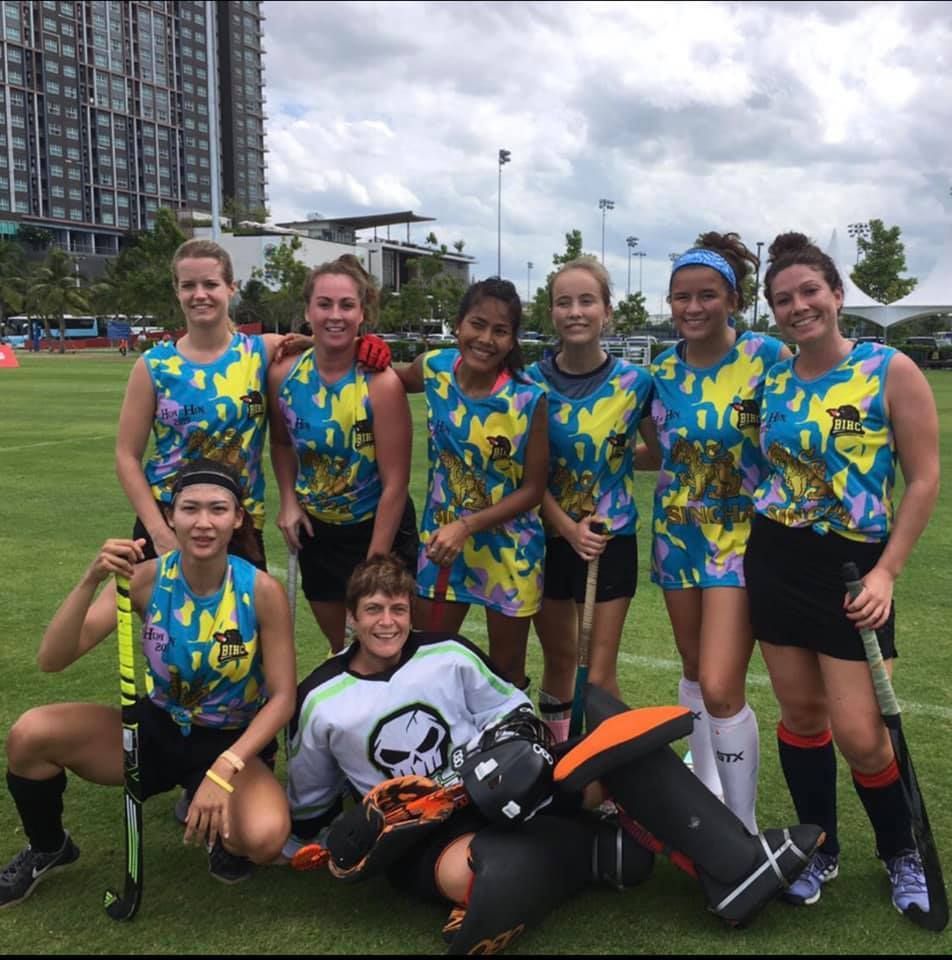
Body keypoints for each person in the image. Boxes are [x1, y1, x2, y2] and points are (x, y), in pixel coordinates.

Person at [283, 554, 825, 955]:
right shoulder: (320, 699)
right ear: (351, 618)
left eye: (398, 609)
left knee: (618, 745)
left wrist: (501, 753)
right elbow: (311, 801)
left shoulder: (446, 654)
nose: (387, 623)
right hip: (428, 833)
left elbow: (514, 708)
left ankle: (739, 865)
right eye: (373, 610)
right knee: (489, 875)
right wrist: (346, 838)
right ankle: (596, 853)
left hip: (502, 787)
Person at [745, 232, 940, 917]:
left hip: (854, 568)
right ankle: (817, 847)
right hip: (774, 557)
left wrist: (887, 574)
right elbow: (754, 466)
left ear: (836, 294)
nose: (798, 307)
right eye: (783, 299)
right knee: (800, 714)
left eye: (808, 292)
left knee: (861, 733)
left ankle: (901, 853)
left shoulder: (890, 368)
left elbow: (922, 480)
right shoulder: (769, 378)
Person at [0, 460, 296, 907]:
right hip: (153, 729)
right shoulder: (144, 579)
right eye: (189, 509)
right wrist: (90, 579)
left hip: (226, 741)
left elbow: (283, 697)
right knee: (30, 735)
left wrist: (226, 766)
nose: (202, 522)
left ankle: (219, 825)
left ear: (237, 518)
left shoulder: (260, 591)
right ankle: (49, 846)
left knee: (264, 836)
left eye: (217, 509)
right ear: (170, 516)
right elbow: (53, 660)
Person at [639, 233, 790, 834]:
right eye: (681, 297)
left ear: (731, 298)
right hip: (678, 539)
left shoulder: (767, 357)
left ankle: (742, 827)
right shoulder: (656, 375)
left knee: (724, 684)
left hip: (743, 542)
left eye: (706, 295)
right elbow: (654, 452)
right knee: (695, 670)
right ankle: (703, 790)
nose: (692, 308)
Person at [394, 278, 548, 688]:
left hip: (509, 552)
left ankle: (507, 747)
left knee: (506, 672)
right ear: (458, 324)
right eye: (477, 324)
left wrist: (467, 526)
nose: (485, 339)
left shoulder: (528, 399)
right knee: (427, 662)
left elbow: (533, 490)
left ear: (514, 339)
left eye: (500, 331)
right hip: (441, 546)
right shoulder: (434, 368)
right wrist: (320, 347)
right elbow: (385, 374)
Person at [115, 238, 307, 567]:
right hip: (171, 522)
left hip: (239, 524)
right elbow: (126, 456)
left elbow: (334, 348)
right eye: (188, 285)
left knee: (241, 619)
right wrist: (159, 532)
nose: (199, 294)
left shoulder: (261, 352)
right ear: (177, 291)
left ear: (231, 288)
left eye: (210, 284)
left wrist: (358, 346)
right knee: (167, 620)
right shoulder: (154, 366)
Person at [524, 258, 654, 740]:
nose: (575, 311)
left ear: (607, 311)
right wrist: (564, 525)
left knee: (598, 674)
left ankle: (611, 782)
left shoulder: (636, 384)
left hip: (607, 541)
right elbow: (523, 473)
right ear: (552, 312)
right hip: (546, 538)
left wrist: (613, 470)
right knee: (559, 662)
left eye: (587, 301)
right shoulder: (527, 383)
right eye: (564, 302)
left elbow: (655, 451)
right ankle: (559, 769)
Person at [267, 254, 417, 653]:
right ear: (307, 310)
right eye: (324, 304)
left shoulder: (380, 383)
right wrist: (288, 502)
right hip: (318, 532)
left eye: (347, 305)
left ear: (362, 313)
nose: (335, 315)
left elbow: (395, 483)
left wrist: (374, 565)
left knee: (387, 648)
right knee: (343, 648)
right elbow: (281, 443)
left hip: (377, 527)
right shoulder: (283, 374)